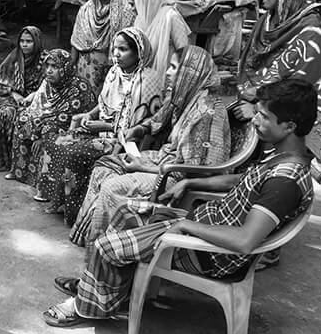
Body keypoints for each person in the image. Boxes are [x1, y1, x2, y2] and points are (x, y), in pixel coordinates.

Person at [44, 79, 317, 327]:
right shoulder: (280, 156)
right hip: (200, 225)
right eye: (256, 112)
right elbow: (239, 180)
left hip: (207, 254)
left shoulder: (284, 181)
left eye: (264, 116)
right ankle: (100, 290)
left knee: (106, 246)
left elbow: (245, 241)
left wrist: (186, 225)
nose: (254, 120)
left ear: (290, 126)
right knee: (124, 211)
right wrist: (190, 183)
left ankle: (85, 306)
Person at [68, 45, 230, 247]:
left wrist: (142, 167)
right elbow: (158, 119)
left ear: (189, 72)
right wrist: (138, 129)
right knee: (104, 167)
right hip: (164, 160)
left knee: (111, 186)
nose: (168, 72)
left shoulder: (207, 113)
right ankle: (88, 236)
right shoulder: (186, 95)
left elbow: (197, 170)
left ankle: (105, 247)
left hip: (174, 176)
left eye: (173, 67)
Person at [34, 27, 164, 223]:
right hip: (102, 130)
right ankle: (57, 198)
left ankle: (73, 211)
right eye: (115, 49)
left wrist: (102, 126)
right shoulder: (115, 72)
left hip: (125, 142)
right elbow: (103, 102)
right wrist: (90, 114)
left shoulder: (147, 80)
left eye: (123, 49)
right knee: (57, 140)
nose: (116, 54)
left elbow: (136, 126)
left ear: (139, 52)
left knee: (73, 153)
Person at [232, 0, 321, 184]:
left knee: (272, 182)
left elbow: (299, 91)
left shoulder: (311, 31)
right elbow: (250, 66)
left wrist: (256, 110)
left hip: (283, 122)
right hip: (256, 112)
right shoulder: (267, 21)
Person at [4, 49, 96, 186]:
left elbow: (65, 117)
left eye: (55, 66)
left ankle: (44, 183)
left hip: (73, 127)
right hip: (49, 119)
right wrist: (35, 127)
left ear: (65, 68)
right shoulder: (47, 83)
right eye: (47, 66)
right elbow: (37, 107)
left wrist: (39, 133)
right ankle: (19, 171)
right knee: (22, 119)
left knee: (48, 130)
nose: (49, 71)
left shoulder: (79, 87)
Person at [69, 0, 135, 97]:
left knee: (111, 100)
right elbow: (76, 39)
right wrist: (71, 65)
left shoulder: (126, 8)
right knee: (85, 99)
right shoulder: (85, 10)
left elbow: (132, 40)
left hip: (114, 65)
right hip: (86, 67)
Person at [0, 25, 45, 172]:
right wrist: (13, 93)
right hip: (15, 97)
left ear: (37, 42)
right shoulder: (14, 57)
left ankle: (20, 163)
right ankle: (3, 161)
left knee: (24, 117)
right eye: (22, 41)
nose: (24, 45)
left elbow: (51, 86)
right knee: (3, 114)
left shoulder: (45, 60)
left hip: (39, 100)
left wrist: (34, 96)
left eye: (29, 41)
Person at [129, 0, 192, 90]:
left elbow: (183, 51)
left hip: (167, 79)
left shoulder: (170, 16)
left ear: (145, 1)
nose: (131, 9)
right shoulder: (139, 21)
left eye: (133, 4)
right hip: (145, 80)